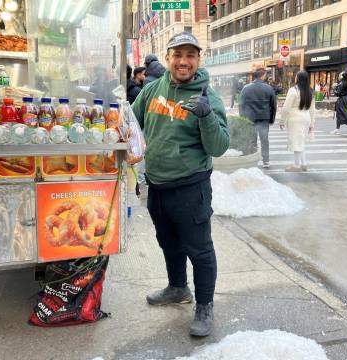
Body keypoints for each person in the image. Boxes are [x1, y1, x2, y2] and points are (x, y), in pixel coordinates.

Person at [130, 31, 229, 337]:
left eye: (190, 55)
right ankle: (177, 288)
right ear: (168, 57)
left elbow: (219, 146)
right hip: (157, 186)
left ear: (198, 60)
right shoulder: (153, 89)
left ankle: (205, 306)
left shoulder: (207, 97)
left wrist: (207, 117)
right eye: (178, 55)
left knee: (199, 250)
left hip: (190, 188)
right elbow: (133, 125)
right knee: (168, 243)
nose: (183, 61)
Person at [240, 68, 278, 168]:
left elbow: (241, 105)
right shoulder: (268, 88)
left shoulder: (246, 88)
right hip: (264, 118)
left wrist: (242, 118)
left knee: (252, 140)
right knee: (264, 140)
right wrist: (272, 119)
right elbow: (273, 105)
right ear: (262, 76)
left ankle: (252, 161)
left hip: (250, 118)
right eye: (265, 75)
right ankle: (266, 161)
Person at [278, 71, 316, 172]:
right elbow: (312, 110)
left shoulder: (293, 90)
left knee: (296, 141)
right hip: (306, 117)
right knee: (301, 141)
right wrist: (312, 124)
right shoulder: (311, 91)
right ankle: (304, 164)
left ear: (298, 79)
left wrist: (282, 121)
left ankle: (297, 165)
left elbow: (286, 107)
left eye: (296, 77)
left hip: (295, 118)